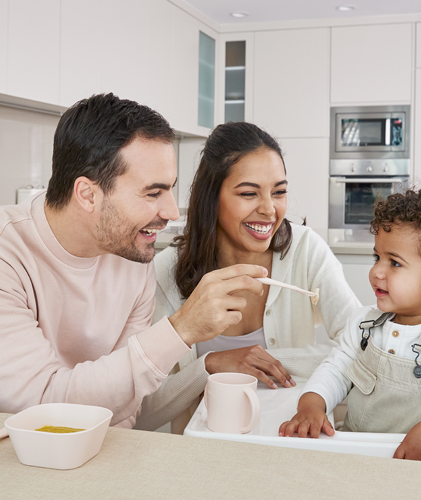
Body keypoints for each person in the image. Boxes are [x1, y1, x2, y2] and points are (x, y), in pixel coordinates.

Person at [0, 94, 269, 429]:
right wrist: (180, 329)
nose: (170, 210)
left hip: (57, 454)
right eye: (153, 193)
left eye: (169, 189)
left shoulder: (131, 256)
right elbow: (44, 407)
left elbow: (126, 402)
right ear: (87, 194)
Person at [136, 122, 361, 432]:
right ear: (211, 198)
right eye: (248, 193)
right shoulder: (166, 273)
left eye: (279, 192)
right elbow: (141, 413)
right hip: (204, 453)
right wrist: (210, 365)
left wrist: (260, 361)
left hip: (291, 441)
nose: (269, 209)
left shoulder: (306, 251)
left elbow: (364, 347)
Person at [278, 188, 421, 463]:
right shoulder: (362, 323)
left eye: (394, 262)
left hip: (420, 467)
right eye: (376, 257)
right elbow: (335, 370)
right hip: (356, 453)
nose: (376, 271)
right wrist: (311, 404)